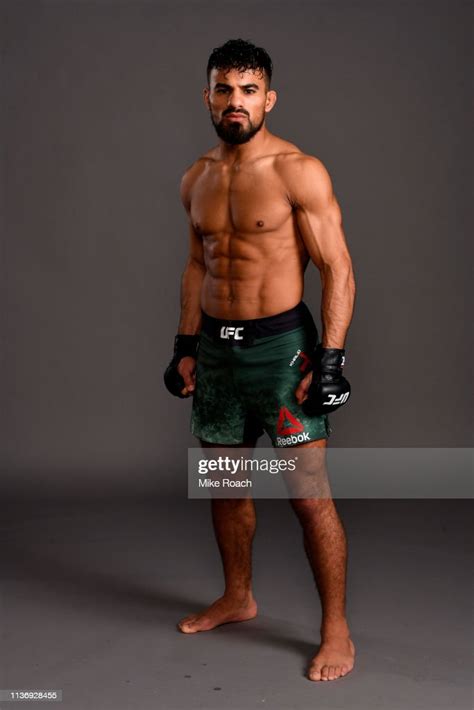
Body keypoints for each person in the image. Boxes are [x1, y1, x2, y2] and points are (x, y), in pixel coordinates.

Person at [164, 39, 356, 682]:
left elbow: (338, 269)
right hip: (218, 351)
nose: (235, 102)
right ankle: (238, 596)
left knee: (308, 497)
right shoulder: (196, 176)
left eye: (249, 91)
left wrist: (329, 360)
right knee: (224, 487)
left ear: (268, 99)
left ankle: (335, 628)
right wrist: (185, 345)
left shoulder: (298, 171)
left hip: (281, 349)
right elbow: (198, 267)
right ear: (208, 96)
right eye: (224, 89)